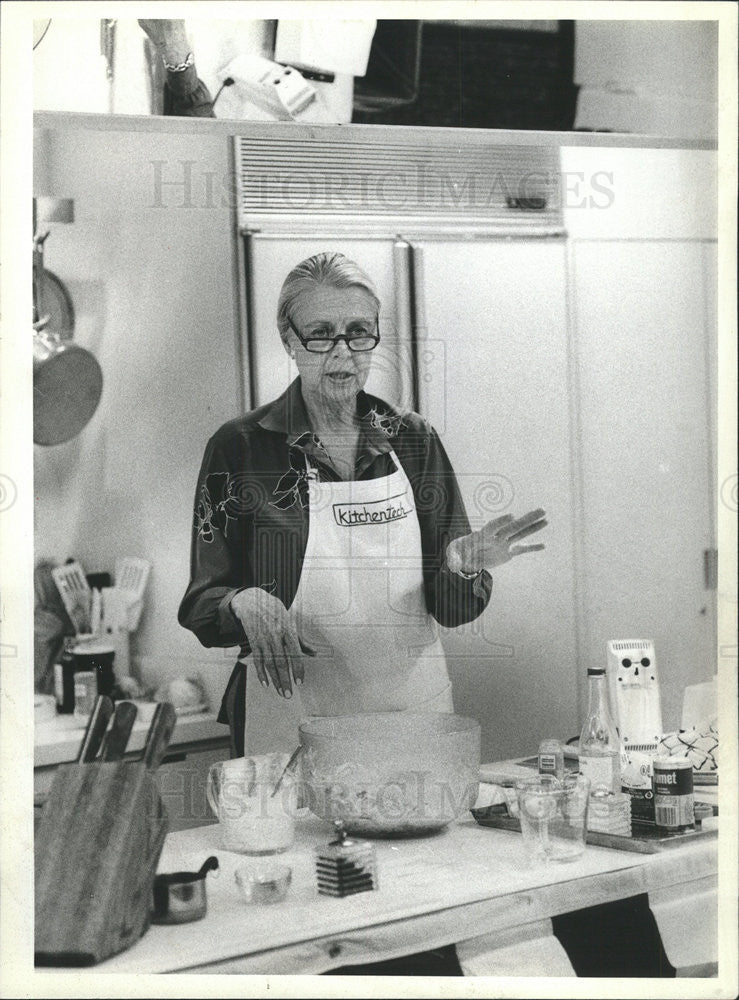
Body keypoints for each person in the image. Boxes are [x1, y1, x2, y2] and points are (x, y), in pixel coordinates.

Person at [179, 252, 547, 755]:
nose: (342, 352)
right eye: (320, 333)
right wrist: (240, 602)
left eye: (358, 331)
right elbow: (202, 602)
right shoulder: (241, 448)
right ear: (289, 340)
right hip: (290, 721)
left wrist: (461, 567)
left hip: (410, 717)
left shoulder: (413, 440)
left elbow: (453, 609)